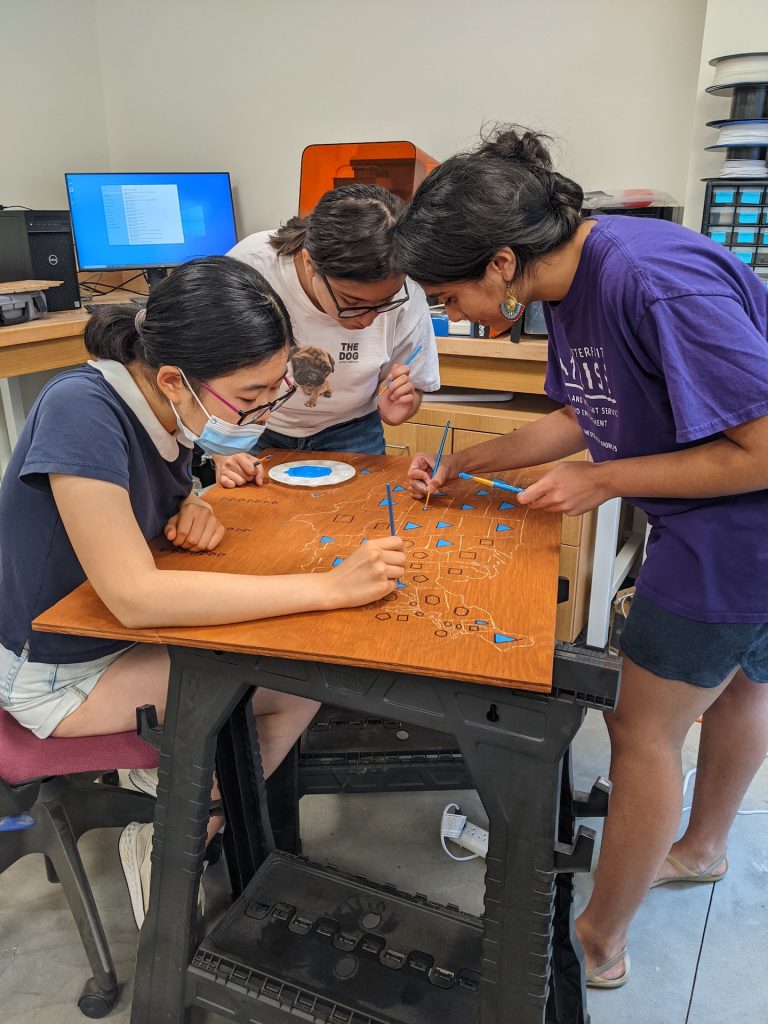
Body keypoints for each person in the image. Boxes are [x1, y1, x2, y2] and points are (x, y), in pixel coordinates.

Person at [394, 126, 768, 988]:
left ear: (497, 262)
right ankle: (703, 847)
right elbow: (581, 412)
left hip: (737, 534)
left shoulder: (650, 281)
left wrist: (603, 480)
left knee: (642, 730)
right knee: (743, 683)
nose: (451, 317)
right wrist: (464, 464)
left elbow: (759, 447)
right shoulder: (567, 282)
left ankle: (599, 938)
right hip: (720, 523)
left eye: (449, 296)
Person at [0, 256, 405, 927]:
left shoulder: (167, 411)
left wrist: (189, 503)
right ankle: (175, 837)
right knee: (293, 670)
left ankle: (195, 804)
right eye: (249, 397)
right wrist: (327, 588)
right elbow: (135, 596)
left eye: (272, 391)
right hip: (59, 674)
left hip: (114, 637)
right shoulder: (82, 410)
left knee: (303, 678)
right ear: (172, 379)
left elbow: (143, 503)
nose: (262, 411)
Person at [216, 183, 440, 488]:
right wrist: (221, 453)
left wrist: (404, 402)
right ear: (310, 263)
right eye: (352, 303)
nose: (369, 319)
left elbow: (414, 385)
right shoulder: (250, 268)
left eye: (383, 304)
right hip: (253, 430)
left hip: (352, 430)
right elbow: (201, 370)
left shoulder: (407, 286)